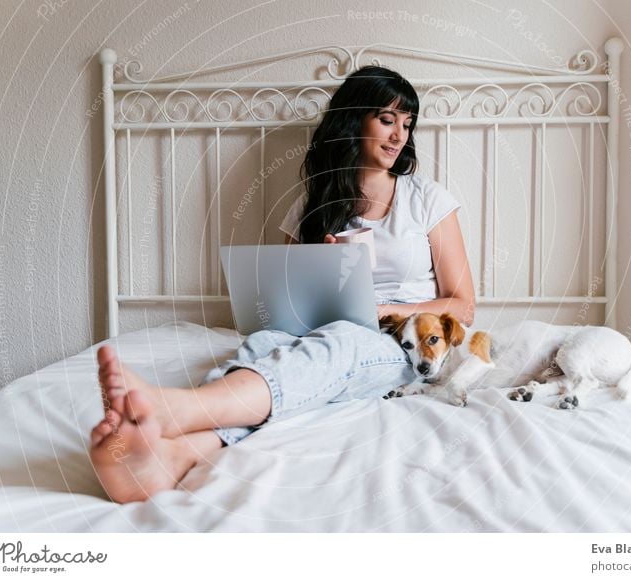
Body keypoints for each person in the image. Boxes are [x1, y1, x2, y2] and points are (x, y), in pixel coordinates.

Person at [89, 66, 475, 503]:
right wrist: (324, 266)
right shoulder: (314, 204)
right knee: (266, 343)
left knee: (342, 341)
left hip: (399, 343)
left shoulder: (426, 198)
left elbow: (463, 305)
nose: (398, 136)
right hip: (321, 328)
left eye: (407, 124)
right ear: (353, 120)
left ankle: (176, 411)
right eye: (387, 119)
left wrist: (390, 312)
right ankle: (176, 456)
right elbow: (279, 297)